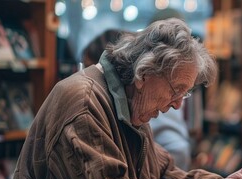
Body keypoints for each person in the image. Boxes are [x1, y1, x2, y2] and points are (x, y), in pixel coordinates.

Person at [0, 18, 242, 179]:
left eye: (186, 94)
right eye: (176, 90)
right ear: (144, 75)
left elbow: (163, 173)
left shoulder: (130, 103)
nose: (178, 105)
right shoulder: (84, 103)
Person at [82, 28, 192, 170]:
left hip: (176, 154)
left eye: (88, 65)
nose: (178, 104)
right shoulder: (96, 102)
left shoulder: (139, 101)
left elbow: (156, 166)